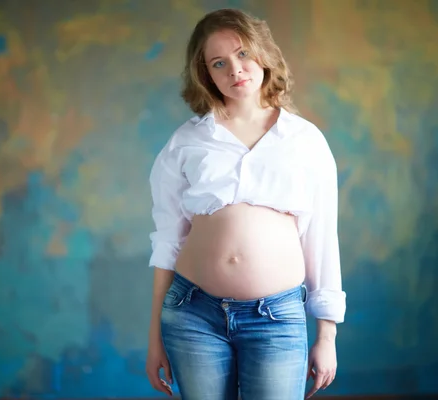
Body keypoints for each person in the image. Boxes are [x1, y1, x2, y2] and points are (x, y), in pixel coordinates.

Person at [145, 8, 346, 400]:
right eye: (218, 63)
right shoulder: (185, 143)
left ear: (263, 55)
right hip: (192, 314)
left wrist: (327, 334)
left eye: (242, 54)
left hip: (276, 319)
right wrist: (154, 339)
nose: (234, 69)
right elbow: (167, 243)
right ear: (206, 75)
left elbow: (322, 239)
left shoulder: (305, 141)